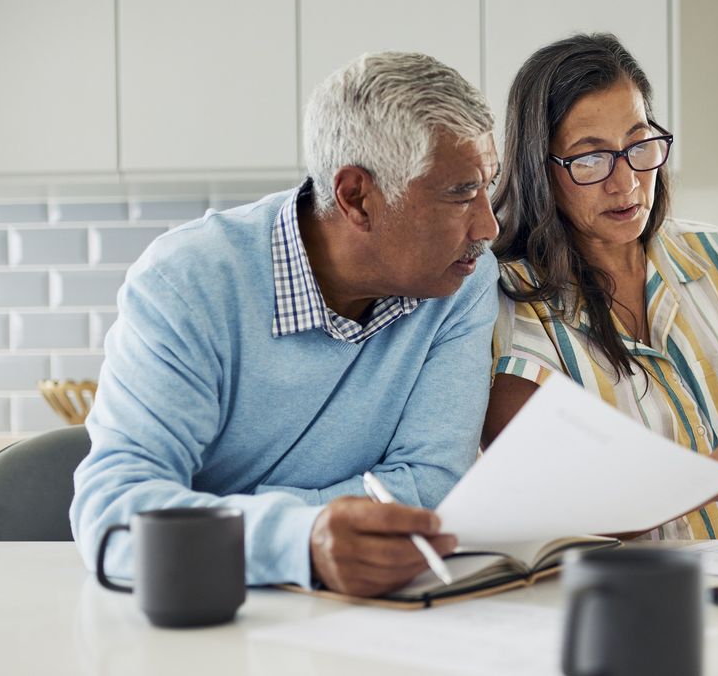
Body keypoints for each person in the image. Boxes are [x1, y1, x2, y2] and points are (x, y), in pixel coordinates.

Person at [72, 51, 501, 598]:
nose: (487, 225)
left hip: (367, 615)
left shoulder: (462, 279)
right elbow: (116, 513)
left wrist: (231, 524)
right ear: (357, 198)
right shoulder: (187, 282)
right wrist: (301, 541)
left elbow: (431, 489)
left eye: (487, 185)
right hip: (206, 613)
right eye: (461, 193)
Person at [484, 33, 718, 540]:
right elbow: (552, 509)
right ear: (540, 169)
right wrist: (714, 482)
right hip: (645, 598)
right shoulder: (506, 311)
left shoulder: (717, 256)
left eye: (639, 145)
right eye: (590, 159)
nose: (626, 183)